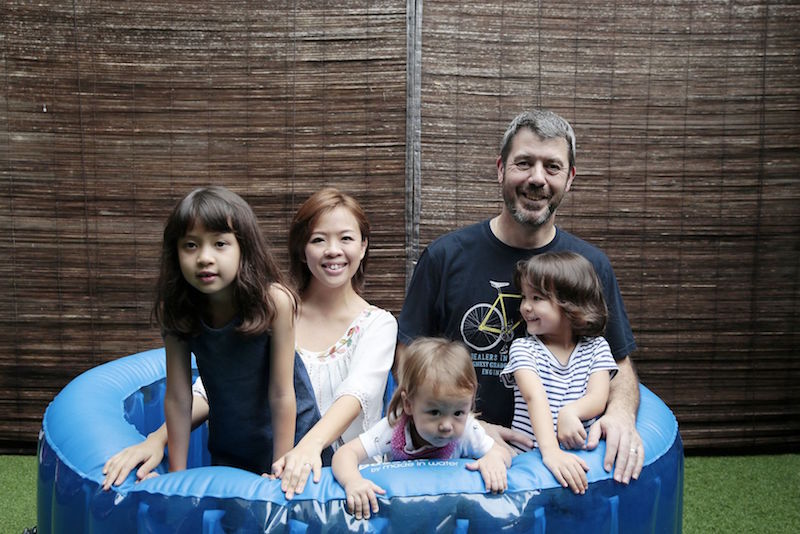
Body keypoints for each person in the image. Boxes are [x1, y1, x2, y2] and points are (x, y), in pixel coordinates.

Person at [396, 109, 644, 484]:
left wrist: (621, 414)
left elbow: (618, 363)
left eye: (553, 167)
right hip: (460, 454)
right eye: (524, 163)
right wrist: (470, 430)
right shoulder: (445, 257)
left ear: (570, 178)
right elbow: (407, 356)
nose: (537, 179)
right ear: (500, 169)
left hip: (564, 457)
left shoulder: (590, 266)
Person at [102, 188, 397, 498]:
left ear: (364, 246)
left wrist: (303, 450)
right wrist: (157, 440)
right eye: (318, 240)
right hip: (249, 452)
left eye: (346, 239)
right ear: (301, 250)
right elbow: (212, 386)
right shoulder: (261, 308)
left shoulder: (373, 323)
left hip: (333, 462)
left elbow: (353, 395)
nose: (333, 250)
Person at [155, 186, 319, 476]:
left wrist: (281, 465)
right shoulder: (178, 309)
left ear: (244, 248)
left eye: (220, 244)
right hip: (231, 449)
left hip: (293, 445)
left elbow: (282, 393)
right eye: (191, 245)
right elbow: (179, 396)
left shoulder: (274, 302)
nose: (204, 257)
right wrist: (176, 474)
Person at [332, 337, 508, 520]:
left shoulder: (468, 431)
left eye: (458, 413)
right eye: (434, 412)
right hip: (405, 507)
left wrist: (494, 458)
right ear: (409, 404)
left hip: (450, 508)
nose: (446, 425)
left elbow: (502, 453)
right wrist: (353, 481)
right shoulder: (395, 428)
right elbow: (346, 453)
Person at [499, 251, 618, 494]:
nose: (525, 307)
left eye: (537, 298)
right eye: (524, 297)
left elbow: (598, 396)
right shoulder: (523, 348)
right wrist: (550, 451)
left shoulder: (596, 348)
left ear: (571, 304)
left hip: (581, 460)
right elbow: (534, 396)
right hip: (532, 459)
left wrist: (570, 411)